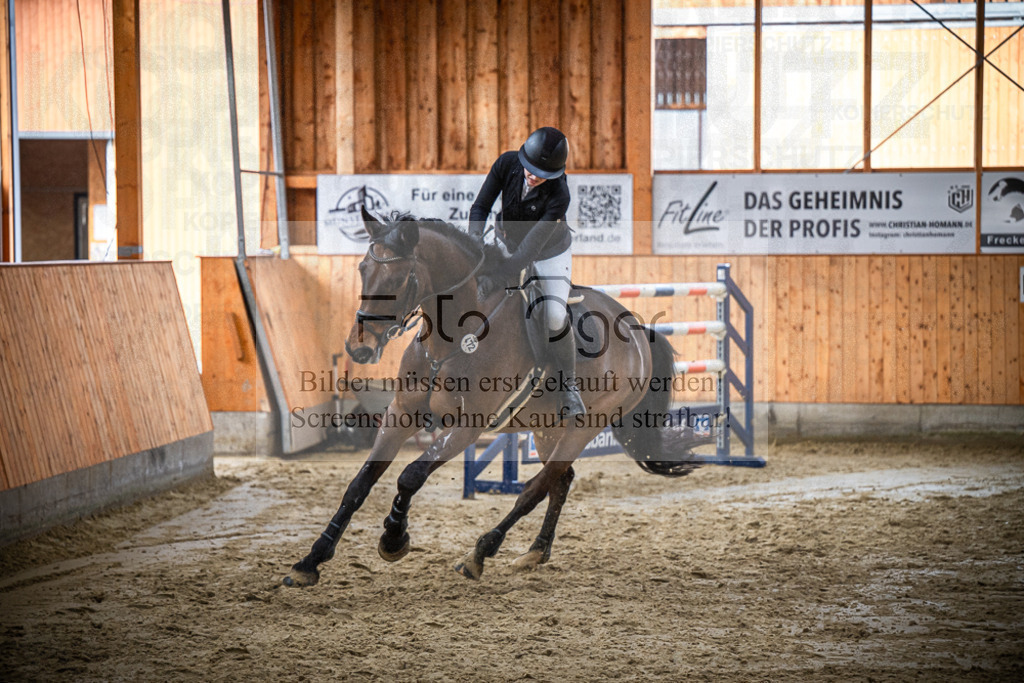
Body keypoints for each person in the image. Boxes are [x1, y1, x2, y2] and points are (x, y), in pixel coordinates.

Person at [469, 126, 586, 419]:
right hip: (505, 238)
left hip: (549, 252)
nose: (533, 177)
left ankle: (568, 385)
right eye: (530, 170)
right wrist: (474, 246)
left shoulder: (560, 194)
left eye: (541, 175)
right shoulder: (507, 163)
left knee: (555, 315)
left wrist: (497, 277)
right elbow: (480, 207)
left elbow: (527, 253)